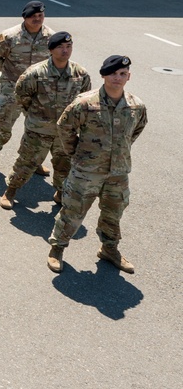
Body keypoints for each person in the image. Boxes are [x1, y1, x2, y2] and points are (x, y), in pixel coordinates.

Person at [47, 55, 147, 274]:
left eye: (122, 74)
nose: (117, 78)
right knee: (73, 211)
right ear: (103, 75)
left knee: (114, 212)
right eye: (113, 73)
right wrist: (77, 154)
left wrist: (120, 152)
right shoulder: (84, 103)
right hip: (86, 172)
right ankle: (57, 248)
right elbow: (64, 128)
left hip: (118, 173)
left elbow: (136, 130)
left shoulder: (136, 106)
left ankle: (109, 249)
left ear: (128, 76)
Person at [0, 31, 91, 210]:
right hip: (38, 129)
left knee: (64, 165)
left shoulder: (80, 73)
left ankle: (59, 192)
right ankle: (10, 191)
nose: (65, 51)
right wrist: (34, 115)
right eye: (60, 47)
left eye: (68, 47)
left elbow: (83, 100)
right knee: (26, 162)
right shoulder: (35, 73)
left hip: (65, 133)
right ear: (50, 50)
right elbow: (21, 96)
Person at [0, 1, 53, 177]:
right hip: (11, 88)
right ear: (25, 17)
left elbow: (54, 61)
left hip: (38, 91)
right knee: (2, 127)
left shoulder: (51, 37)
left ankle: (34, 162)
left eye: (40, 16)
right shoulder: (10, 37)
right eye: (33, 16)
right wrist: (10, 74)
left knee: (39, 130)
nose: (37, 19)